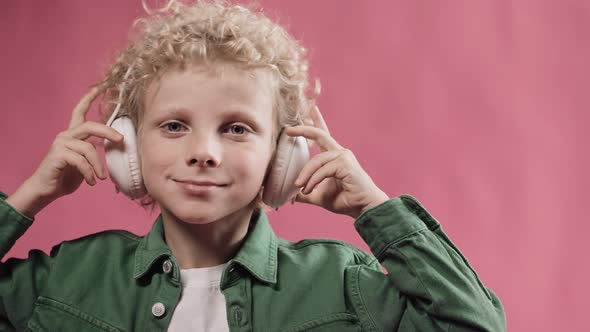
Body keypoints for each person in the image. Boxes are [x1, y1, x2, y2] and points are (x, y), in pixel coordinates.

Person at [0, 0, 506, 331]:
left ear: (284, 154)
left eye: (236, 128)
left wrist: (374, 209)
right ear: (126, 150)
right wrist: (28, 199)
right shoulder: (66, 278)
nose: (204, 152)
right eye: (174, 126)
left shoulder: (340, 283)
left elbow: (474, 325)